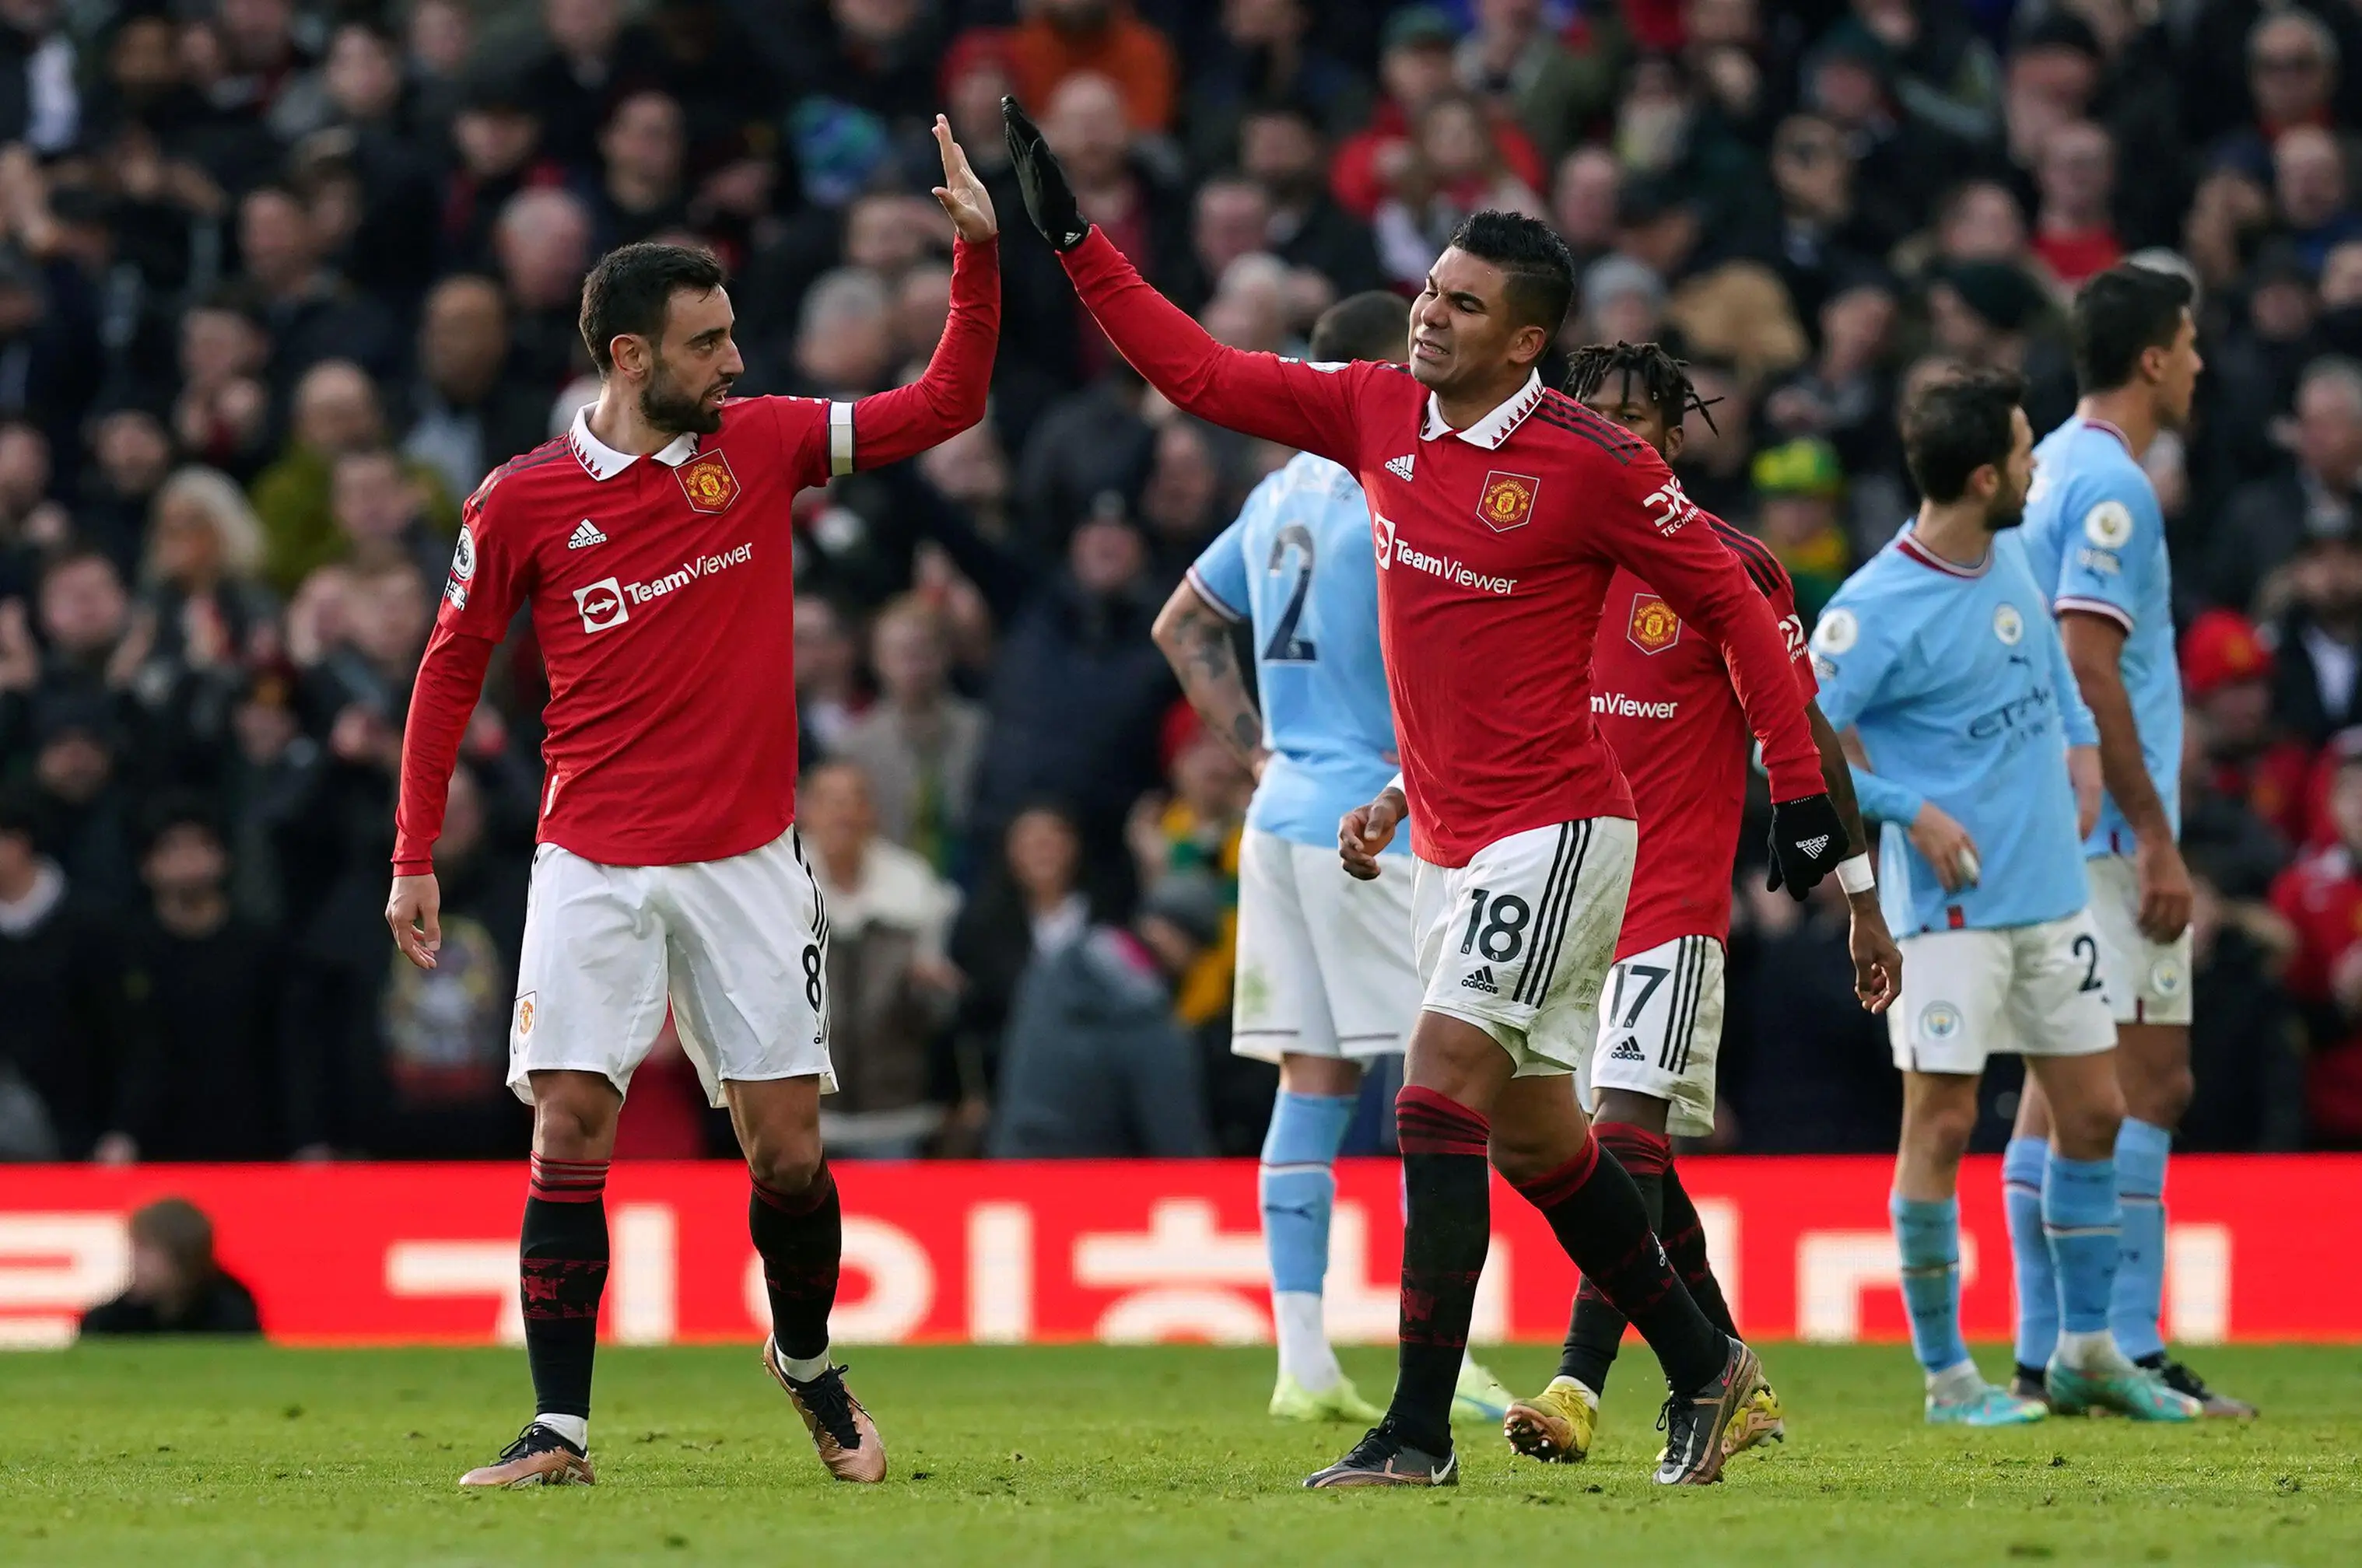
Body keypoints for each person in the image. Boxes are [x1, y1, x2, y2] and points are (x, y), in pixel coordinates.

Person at [1004, 98, 1849, 1489]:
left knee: (1434, 1091)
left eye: (1463, 304)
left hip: (1561, 827)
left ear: (1525, 341)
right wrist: (1079, 243)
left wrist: (1801, 794)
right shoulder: (1375, 410)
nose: (1430, 315)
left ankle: (1412, 1430)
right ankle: (1710, 1368)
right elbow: (1202, 373)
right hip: (1453, 844)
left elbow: (1740, 610)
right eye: (1431, 290)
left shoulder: (1594, 463)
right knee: (1538, 1138)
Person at [384, 116, 999, 1491]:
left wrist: (976, 259)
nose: (735, 360)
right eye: (708, 342)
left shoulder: (764, 445)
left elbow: (942, 406)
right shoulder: (522, 501)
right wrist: (415, 850)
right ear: (629, 357)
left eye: (731, 335)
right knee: (567, 1129)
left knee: (785, 1157)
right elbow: (448, 668)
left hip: (744, 862)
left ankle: (806, 1363)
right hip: (590, 861)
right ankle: (559, 1430)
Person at [1503, 341, 1903, 1466]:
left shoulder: (1731, 567)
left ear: (1675, 440)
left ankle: (1578, 1385)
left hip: (1671, 904)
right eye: (1594, 413)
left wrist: (1860, 900)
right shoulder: (1543, 557)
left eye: (1635, 417)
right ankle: (1731, 1374)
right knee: (1635, 1166)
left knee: (1622, 1138)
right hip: (1562, 899)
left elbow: (1806, 737)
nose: (1613, 432)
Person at [1148, 289, 1512, 1430]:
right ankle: (1448, 1354)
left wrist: (1259, 754)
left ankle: (1303, 1362)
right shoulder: (1394, 483)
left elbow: (1182, 625)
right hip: (1377, 823)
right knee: (1443, 1080)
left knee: (1312, 1083)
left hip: (1282, 816)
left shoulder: (1275, 497)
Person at [1816, 368, 2199, 1427]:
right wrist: (1912, 812)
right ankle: (1949, 1380)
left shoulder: (2017, 555)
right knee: (1941, 1125)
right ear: (1986, 477)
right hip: (1948, 915)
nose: (2040, 466)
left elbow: (2058, 674)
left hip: (2050, 899)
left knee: (2096, 1113)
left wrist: (2081, 751)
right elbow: (1793, 749)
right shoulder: (1872, 610)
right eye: (2027, 451)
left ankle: (2086, 1354)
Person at [2012, 264, 2255, 1419]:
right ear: (2154, 358)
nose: (2201, 363)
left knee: (2056, 1092)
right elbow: (2088, 660)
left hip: (2051, 820)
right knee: (2153, 1082)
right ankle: (2130, 1348)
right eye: (2190, 343)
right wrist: (2157, 836)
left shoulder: (2049, 464)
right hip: (2108, 831)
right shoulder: (2114, 486)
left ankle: (2041, 1352)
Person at [78, 1198, 261, 1337]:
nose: (135, 1261)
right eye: (135, 1248)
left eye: (146, 1250)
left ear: (181, 1256)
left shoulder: (229, 1313)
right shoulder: (109, 1321)